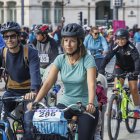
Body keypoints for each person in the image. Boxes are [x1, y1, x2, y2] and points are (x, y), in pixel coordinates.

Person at [31, 23, 99, 140]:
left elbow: (91, 84)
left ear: (79, 42)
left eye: (72, 41)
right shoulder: (60, 59)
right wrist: (36, 101)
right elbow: (48, 83)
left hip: (86, 105)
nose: (68, 44)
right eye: (65, 40)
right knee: (50, 132)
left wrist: (91, 103)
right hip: (66, 103)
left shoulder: (88, 59)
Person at [0, 21, 41, 140]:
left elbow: (35, 74)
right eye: (6, 37)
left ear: (18, 37)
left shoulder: (30, 52)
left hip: (29, 93)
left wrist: (34, 90)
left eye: (12, 36)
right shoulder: (3, 52)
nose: (9, 40)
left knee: (29, 123)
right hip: (11, 92)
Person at [99, 28, 140, 118]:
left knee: (133, 88)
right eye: (118, 39)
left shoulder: (131, 47)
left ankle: (137, 109)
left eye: (122, 39)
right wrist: (101, 68)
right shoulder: (115, 46)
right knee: (116, 88)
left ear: (127, 39)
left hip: (132, 69)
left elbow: (137, 59)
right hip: (120, 67)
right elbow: (107, 57)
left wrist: (137, 71)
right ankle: (113, 108)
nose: (120, 41)